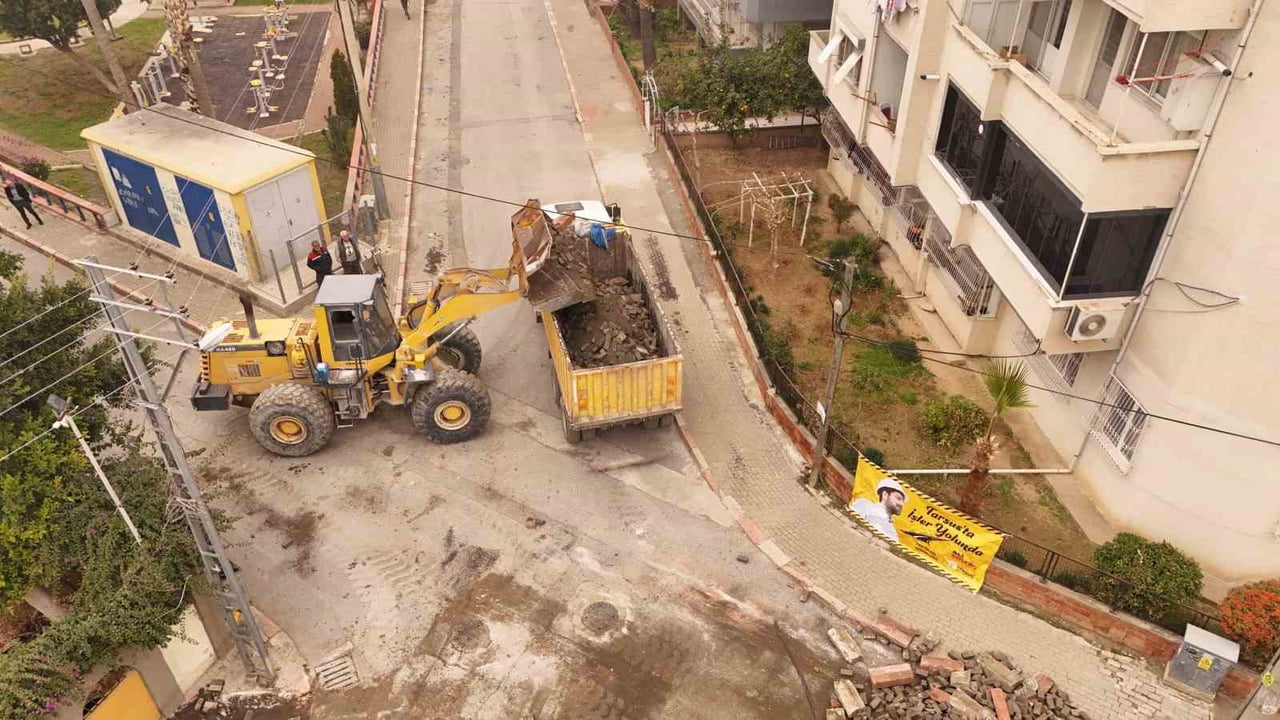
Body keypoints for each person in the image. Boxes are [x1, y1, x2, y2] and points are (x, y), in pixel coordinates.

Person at [851, 478, 907, 544]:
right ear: (885, 495)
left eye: (903, 501)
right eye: (898, 498)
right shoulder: (864, 505)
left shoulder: (892, 532)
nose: (902, 504)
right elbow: (850, 522)